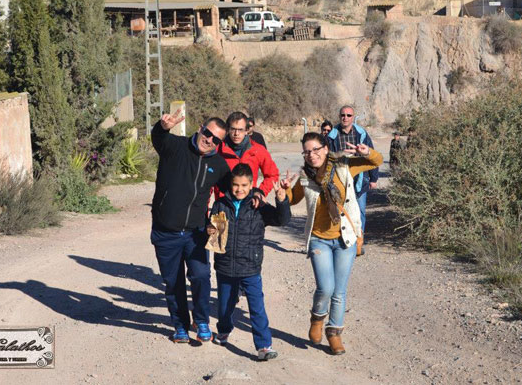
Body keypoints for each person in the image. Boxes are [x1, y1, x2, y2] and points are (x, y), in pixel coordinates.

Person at [282, 133, 383, 355]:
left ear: (326, 148)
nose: (312, 155)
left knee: (339, 291)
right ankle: (317, 318)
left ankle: (334, 333)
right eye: (307, 151)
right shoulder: (305, 177)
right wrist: (283, 191)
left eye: (316, 149)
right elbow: (292, 199)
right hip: (319, 238)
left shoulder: (344, 165)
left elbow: (376, 161)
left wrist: (367, 152)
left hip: (345, 237)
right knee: (325, 288)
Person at [150, 110, 231, 344]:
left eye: (216, 139)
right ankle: (180, 326)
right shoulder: (174, 146)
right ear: (200, 128)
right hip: (166, 232)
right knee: (173, 282)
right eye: (208, 134)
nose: (209, 140)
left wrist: (255, 193)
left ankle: (202, 320)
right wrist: (163, 127)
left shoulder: (218, 164)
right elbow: (158, 138)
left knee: (201, 275)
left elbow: (232, 191)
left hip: (196, 233)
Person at [207, 164, 290, 360]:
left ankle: (263, 346)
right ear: (230, 184)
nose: (239, 189)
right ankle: (224, 330)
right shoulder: (220, 204)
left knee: (256, 306)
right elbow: (213, 232)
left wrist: (281, 199)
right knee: (225, 305)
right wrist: (209, 230)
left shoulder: (258, 206)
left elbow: (282, 220)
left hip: (250, 267)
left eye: (244, 185)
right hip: (225, 265)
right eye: (236, 185)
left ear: (251, 184)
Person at [326, 105, 379, 256]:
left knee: (360, 210)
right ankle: (343, 239)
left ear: (353, 117)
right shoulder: (332, 135)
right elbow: (326, 157)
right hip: (339, 179)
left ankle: (358, 242)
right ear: (339, 116)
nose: (345, 118)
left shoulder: (361, 134)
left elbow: (371, 155)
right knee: (341, 210)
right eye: (343, 115)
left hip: (360, 179)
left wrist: (373, 178)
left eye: (349, 115)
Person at [216, 112, 278, 198]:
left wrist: (260, 193)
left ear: (246, 131)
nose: (236, 134)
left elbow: (272, 175)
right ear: (227, 130)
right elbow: (207, 181)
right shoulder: (217, 150)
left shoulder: (258, 150)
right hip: (224, 204)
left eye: (240, 130)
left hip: (249, 204)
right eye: (233, 129)